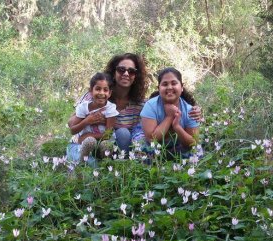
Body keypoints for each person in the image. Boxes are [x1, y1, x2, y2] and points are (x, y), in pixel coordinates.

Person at [66, 53, 202, 162]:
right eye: (121, 69)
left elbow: (164, 98)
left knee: (123, 133)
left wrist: (196, 110)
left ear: (135, 76)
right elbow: (71, 123)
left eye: (131, 71)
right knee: (88, 164)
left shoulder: (140, 104)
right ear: (113, 72)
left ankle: (116, 162)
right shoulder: (93, 97)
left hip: (109, 145)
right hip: (82, 142)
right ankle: (85, 161)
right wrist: (87, 121)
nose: (126, 73)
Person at [140, 67, 199, 157]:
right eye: (165, 84)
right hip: (154, 147)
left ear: (182, 87)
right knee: (145, 152)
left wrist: (177, 126)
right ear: (158, 88)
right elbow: (152, 139)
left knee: (196, 153)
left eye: (174, 83)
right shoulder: (150, 105)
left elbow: (193, 142)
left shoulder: (190, 110)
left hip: (178, 146)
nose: (169, 87)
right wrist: (169, 117)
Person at [70, 72, 119, 161]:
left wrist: (89, 135)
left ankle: (105, 163)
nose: (101, 93)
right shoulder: (83, 108)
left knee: (106, 144)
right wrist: (86, 121)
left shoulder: (110, 109)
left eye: (105, 90)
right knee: (89, 141)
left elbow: (108, 135)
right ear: (90, 91)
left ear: (110, 93)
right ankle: (82, 162)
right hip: (85, 143)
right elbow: (73, 130)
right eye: (98, 89)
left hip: (103, 141)